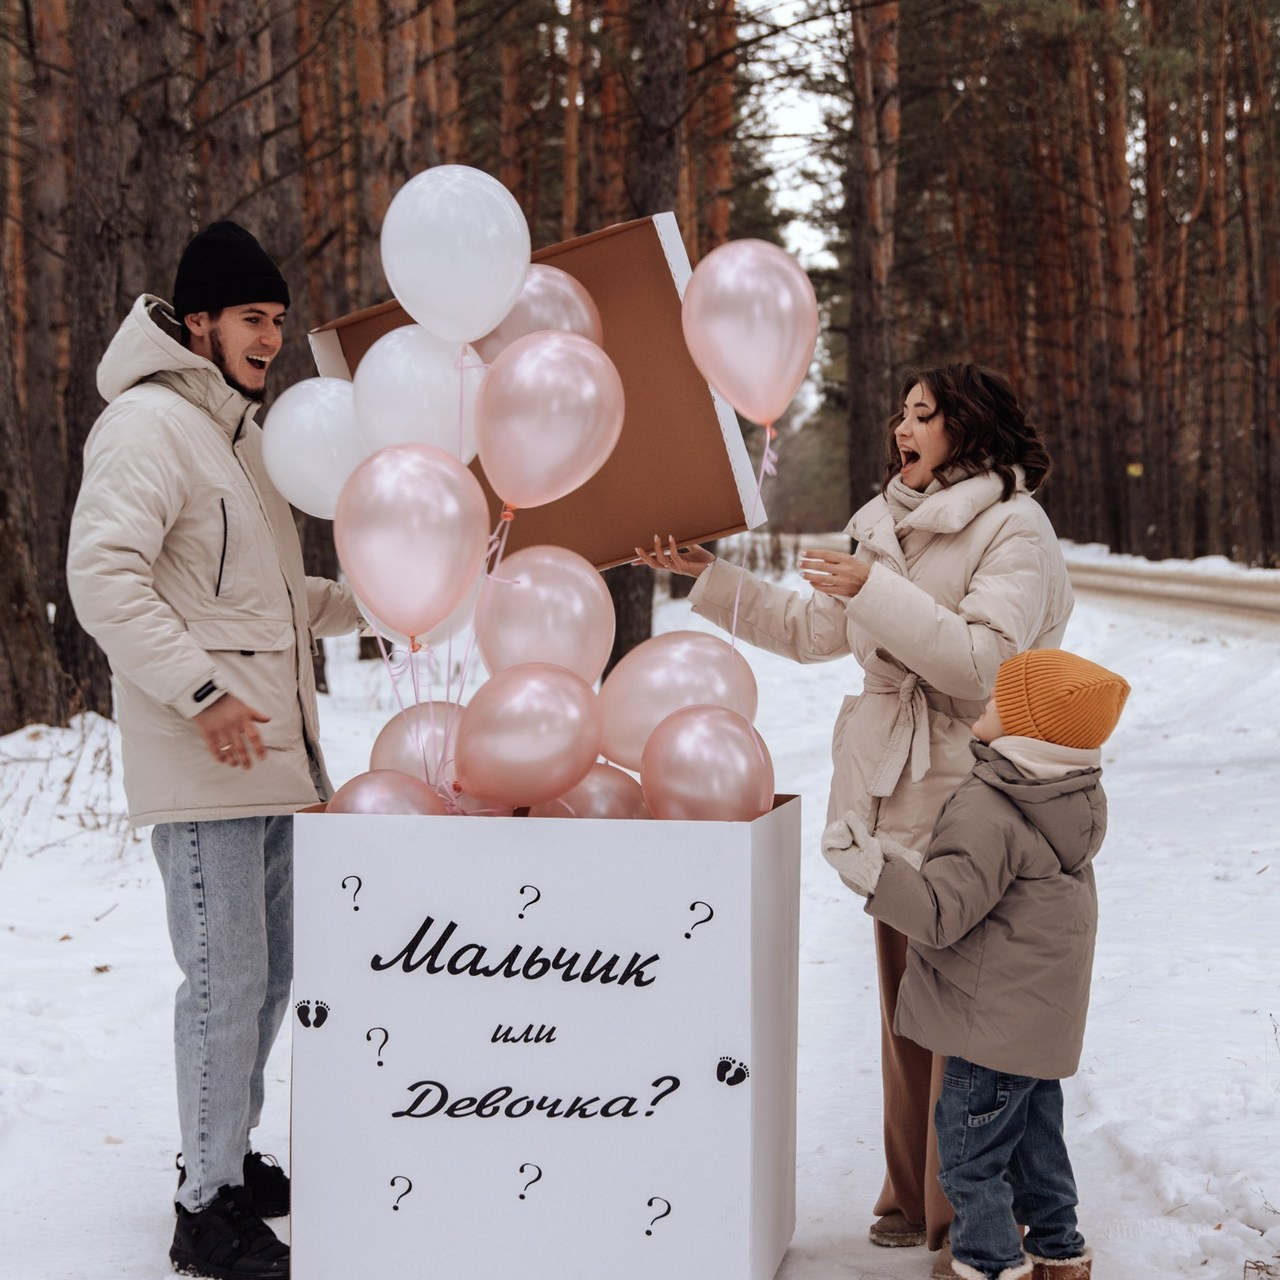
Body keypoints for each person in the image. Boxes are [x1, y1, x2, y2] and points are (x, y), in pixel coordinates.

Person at [637, 363, 1074, 1274]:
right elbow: (812, 633)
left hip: (971, 790)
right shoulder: (880, 524)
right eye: (900, 412)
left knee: (967, 1012)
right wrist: (710, 578)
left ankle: (969, 1216)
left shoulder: (1014, 529)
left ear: (970, 429)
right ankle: (912, 1194)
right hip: (883, 787)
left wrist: (872, 585)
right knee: (904, 1006)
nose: (900, 427)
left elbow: (982, 666)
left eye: (923, 415)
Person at [66, 221, 361, 1280]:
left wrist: (380, 595)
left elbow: (281, 601)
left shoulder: (239, 438)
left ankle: (227, 1156)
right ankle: (204, 1209)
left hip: (268, 754)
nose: (270, 337)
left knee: (266, 974)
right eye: (252, 317)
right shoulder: (149, 426)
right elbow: (102, 576)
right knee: (224, 978)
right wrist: (201, 694)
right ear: (197, 322)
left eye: (278, 320)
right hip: (207, 759)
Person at [822, 647, 1130, 1280]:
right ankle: (1060, 1252)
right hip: (1036, 1025)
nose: (982, 707)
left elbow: (940, 913)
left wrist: (873, 871)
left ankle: (987, 1262)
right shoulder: (1070, 800)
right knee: (1038, 1150)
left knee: (970, 1158)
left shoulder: (989, 808)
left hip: (983, 1027)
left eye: (998, 703)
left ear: (1024, 730)